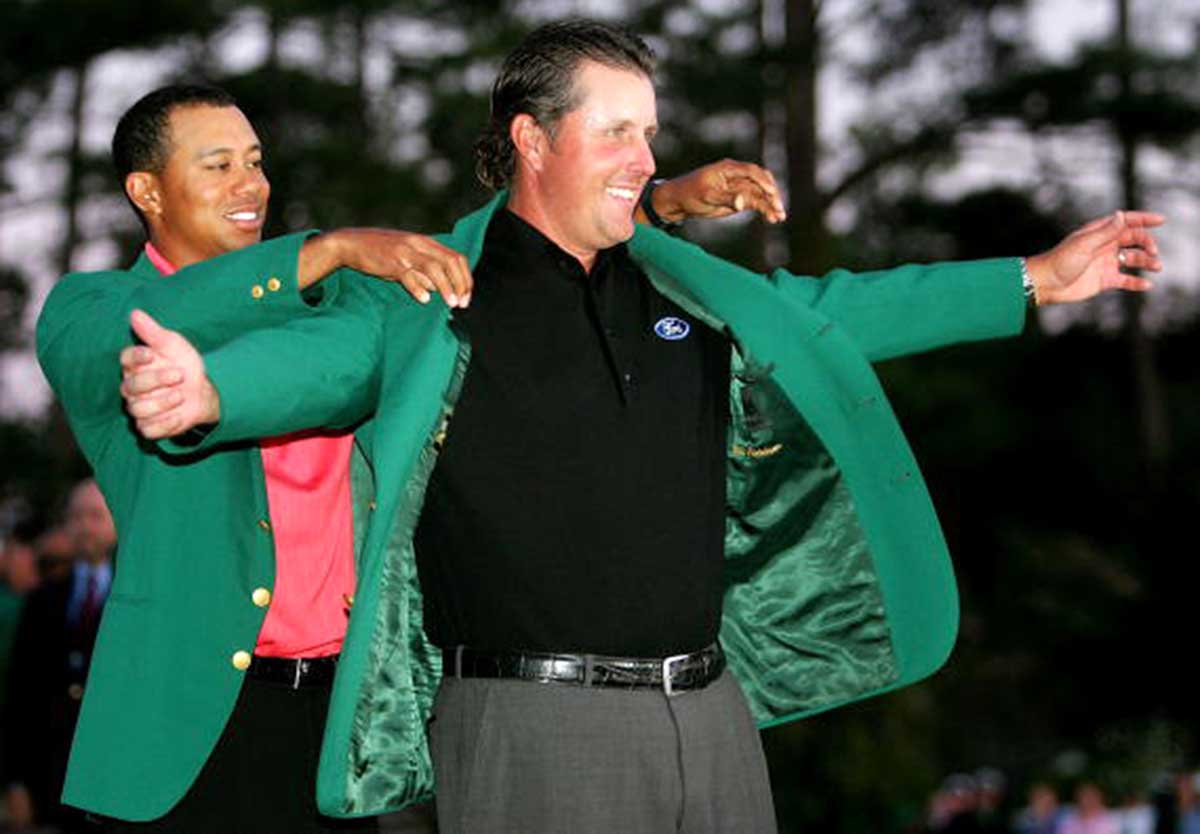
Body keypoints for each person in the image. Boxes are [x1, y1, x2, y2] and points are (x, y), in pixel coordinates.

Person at [120, 19, 1163, 834]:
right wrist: (210, 391)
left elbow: (837, 313)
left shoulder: (685, 288)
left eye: (649, 131)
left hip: (711, 717)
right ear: (532, 139)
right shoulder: (437, 293)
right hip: (531, 731)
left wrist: (1034, 278)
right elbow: (323, 357)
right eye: (615, 129)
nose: (644, 154)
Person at [35, 81, 785, 833]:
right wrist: (330, 248)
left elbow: (501, 258)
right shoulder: (88, 310)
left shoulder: (340, 302)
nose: (250, 185)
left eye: (256, 161)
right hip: (189, 733)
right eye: (218, 165)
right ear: (146, 191)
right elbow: (157, 320)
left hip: (344, 724)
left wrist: (657, 203)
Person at [2, 480, 115, 833]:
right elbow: (20, 693)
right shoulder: (42, 598)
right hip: (48, 784)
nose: (84, 527)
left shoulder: (134, 600)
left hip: (110, 784)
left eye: (95, 516)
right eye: (76, 516)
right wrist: (14, 781)